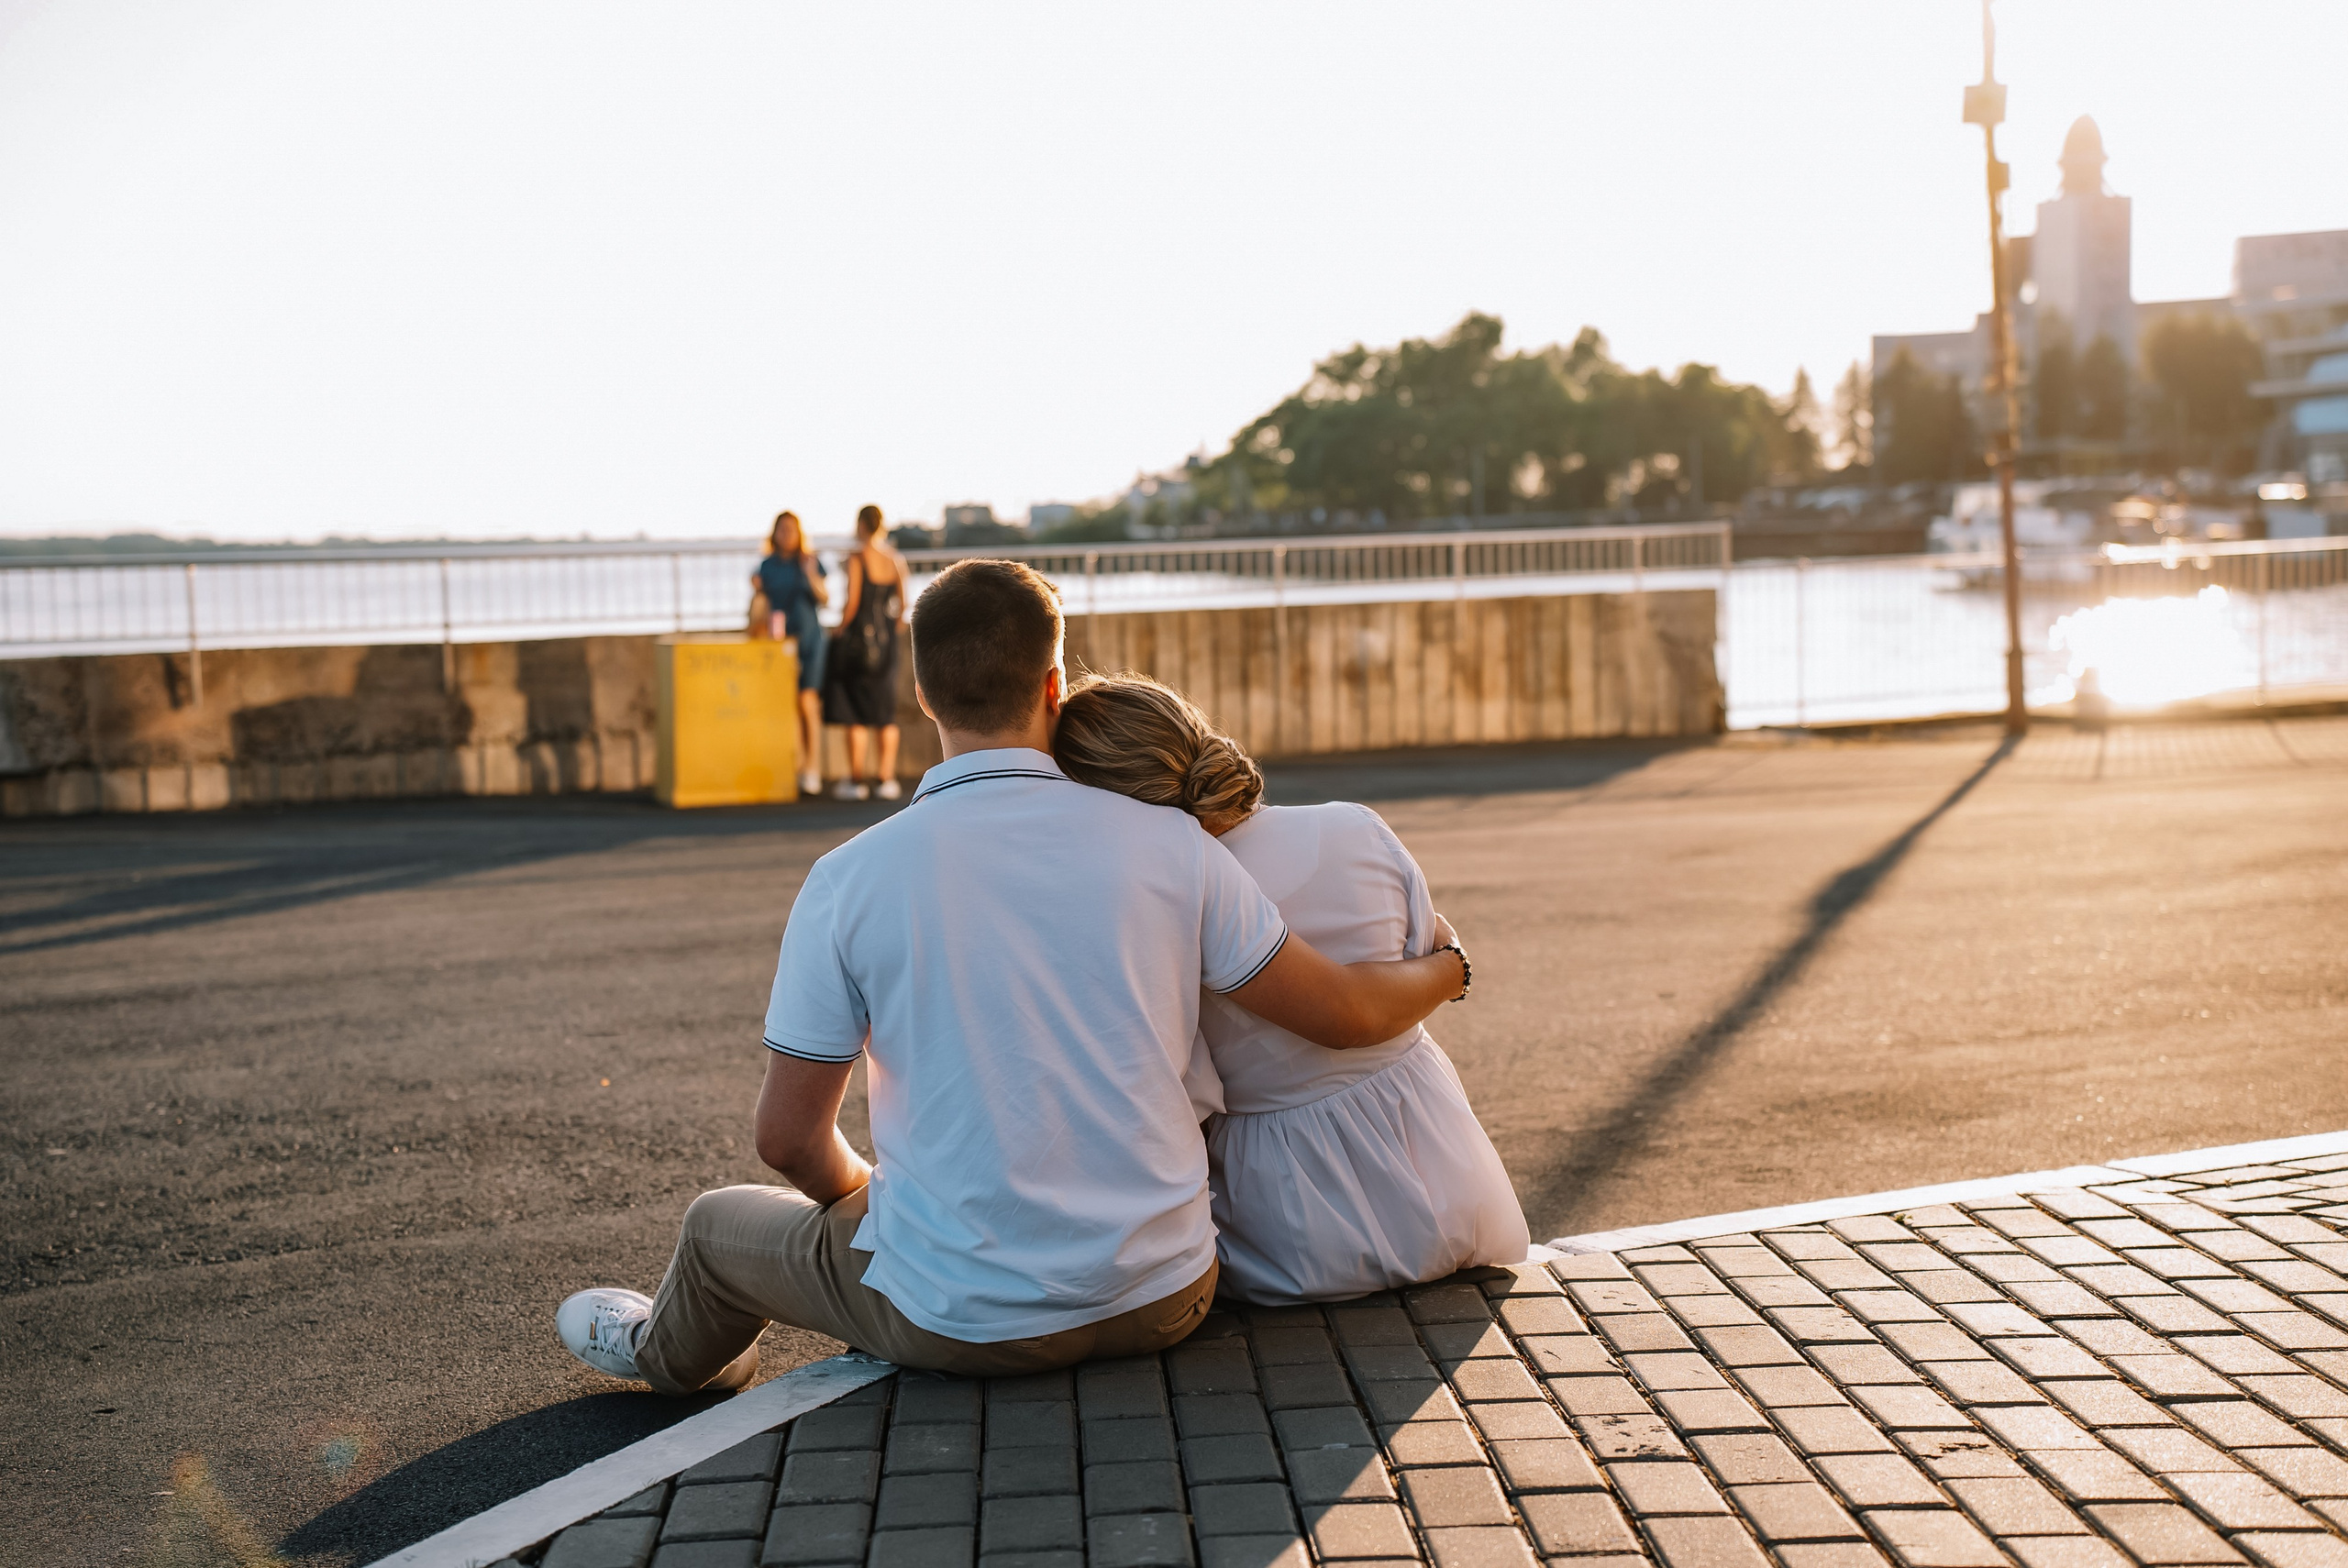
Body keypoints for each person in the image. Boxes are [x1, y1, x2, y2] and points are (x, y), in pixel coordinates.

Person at [555, 558, 1470, 1386]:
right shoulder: (1172, 845)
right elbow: (1343, 1012)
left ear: (920, 693)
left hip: (964, 1323)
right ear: (1054, 683)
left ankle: (671, 1360)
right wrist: (1447, 969)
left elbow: (790, 1142)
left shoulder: (848, 879)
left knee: (718, 1226)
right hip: (1167, 1298)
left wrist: (882, 1206)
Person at [1052, 672, 1528, 1303]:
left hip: (1290, 1232)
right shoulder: (1354, 828)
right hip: (1453, 1183)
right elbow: (1430, 944)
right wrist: (1452, 970)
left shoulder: (1149, 906)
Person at [820, 504, 907, 802]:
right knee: (885, 713)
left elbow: (852, 602)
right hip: (887, 646)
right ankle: (886, 779)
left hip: (859, 643)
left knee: (854, 711)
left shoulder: (858, 559)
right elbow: (902, 607)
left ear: (860, 525)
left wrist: (840, 630)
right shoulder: (895, 559)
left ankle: (856, 780)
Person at [754, 511, 828, 799]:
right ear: (774, 533)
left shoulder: (809, 562)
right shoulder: (766, 566)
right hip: (779, 643)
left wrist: (810, 575)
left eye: (791, 529)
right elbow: (760, 605)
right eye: (782, 529)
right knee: (785, 706)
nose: (786, 534)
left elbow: (824, 598)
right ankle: (792, 766)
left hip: (810, 639)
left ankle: (811, 769)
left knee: (806, 701)